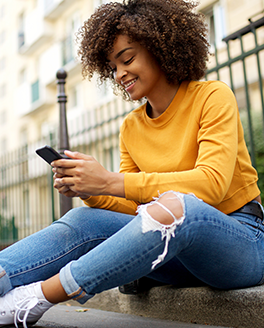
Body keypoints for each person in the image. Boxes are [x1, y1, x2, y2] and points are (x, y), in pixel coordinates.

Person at [1, 0, 264, 326]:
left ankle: (36, 297)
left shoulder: (212, 97)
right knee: (85, 218)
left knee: (177, 207)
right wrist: (90, 187)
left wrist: (110, 181)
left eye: (127, 59)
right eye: (112, 66)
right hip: (173, 253)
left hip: (239, 243)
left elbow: (211, 185)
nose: (120, 73)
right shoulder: (132, 126)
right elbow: (129, 205)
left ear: (161, 47)